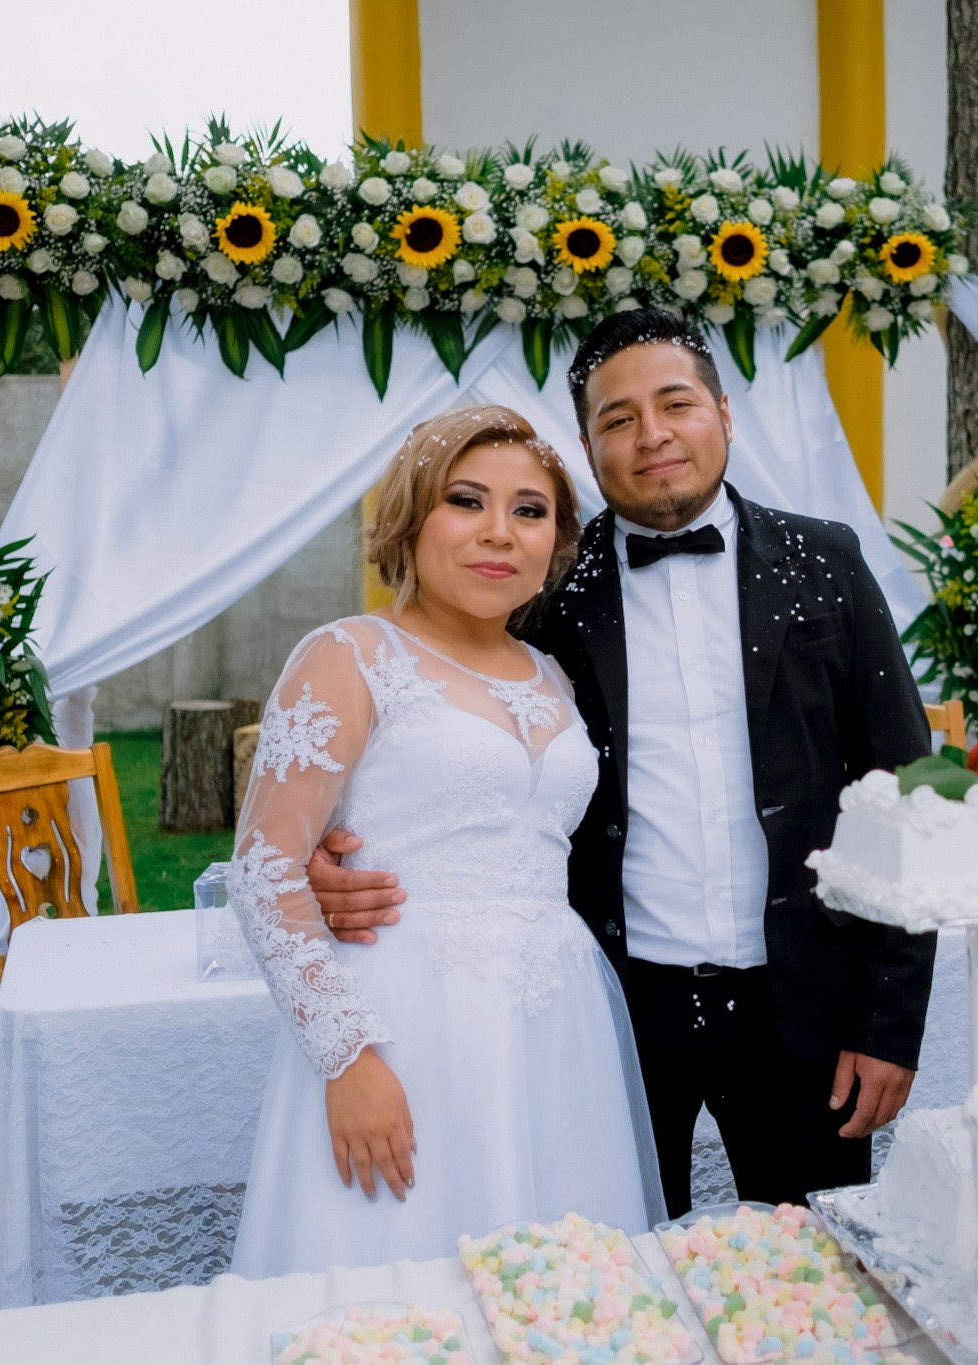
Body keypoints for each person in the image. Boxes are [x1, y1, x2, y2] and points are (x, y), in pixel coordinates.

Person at [308, 309, 938, 1218]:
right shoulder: (541, 587)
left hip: (803, 1005)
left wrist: (889, 1021)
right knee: (613, 1273)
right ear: (588, 445)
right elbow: (442, 727)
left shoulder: (826, 565)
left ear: (723, 410)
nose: (652, 436)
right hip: (607, 1009)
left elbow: (901, 797)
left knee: (815, 1288)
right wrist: (336, 849)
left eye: (675, 403)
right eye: (616, 418)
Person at [224, 405, 662, 1279]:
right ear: (410, 517)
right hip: (406, 1019)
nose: (500, 532)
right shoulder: (348, 654)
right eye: (467, 501)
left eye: (530, 510)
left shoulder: (554, 673)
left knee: (567, 1282)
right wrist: (347, 1055)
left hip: (556, 1019)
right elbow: (264, 867)